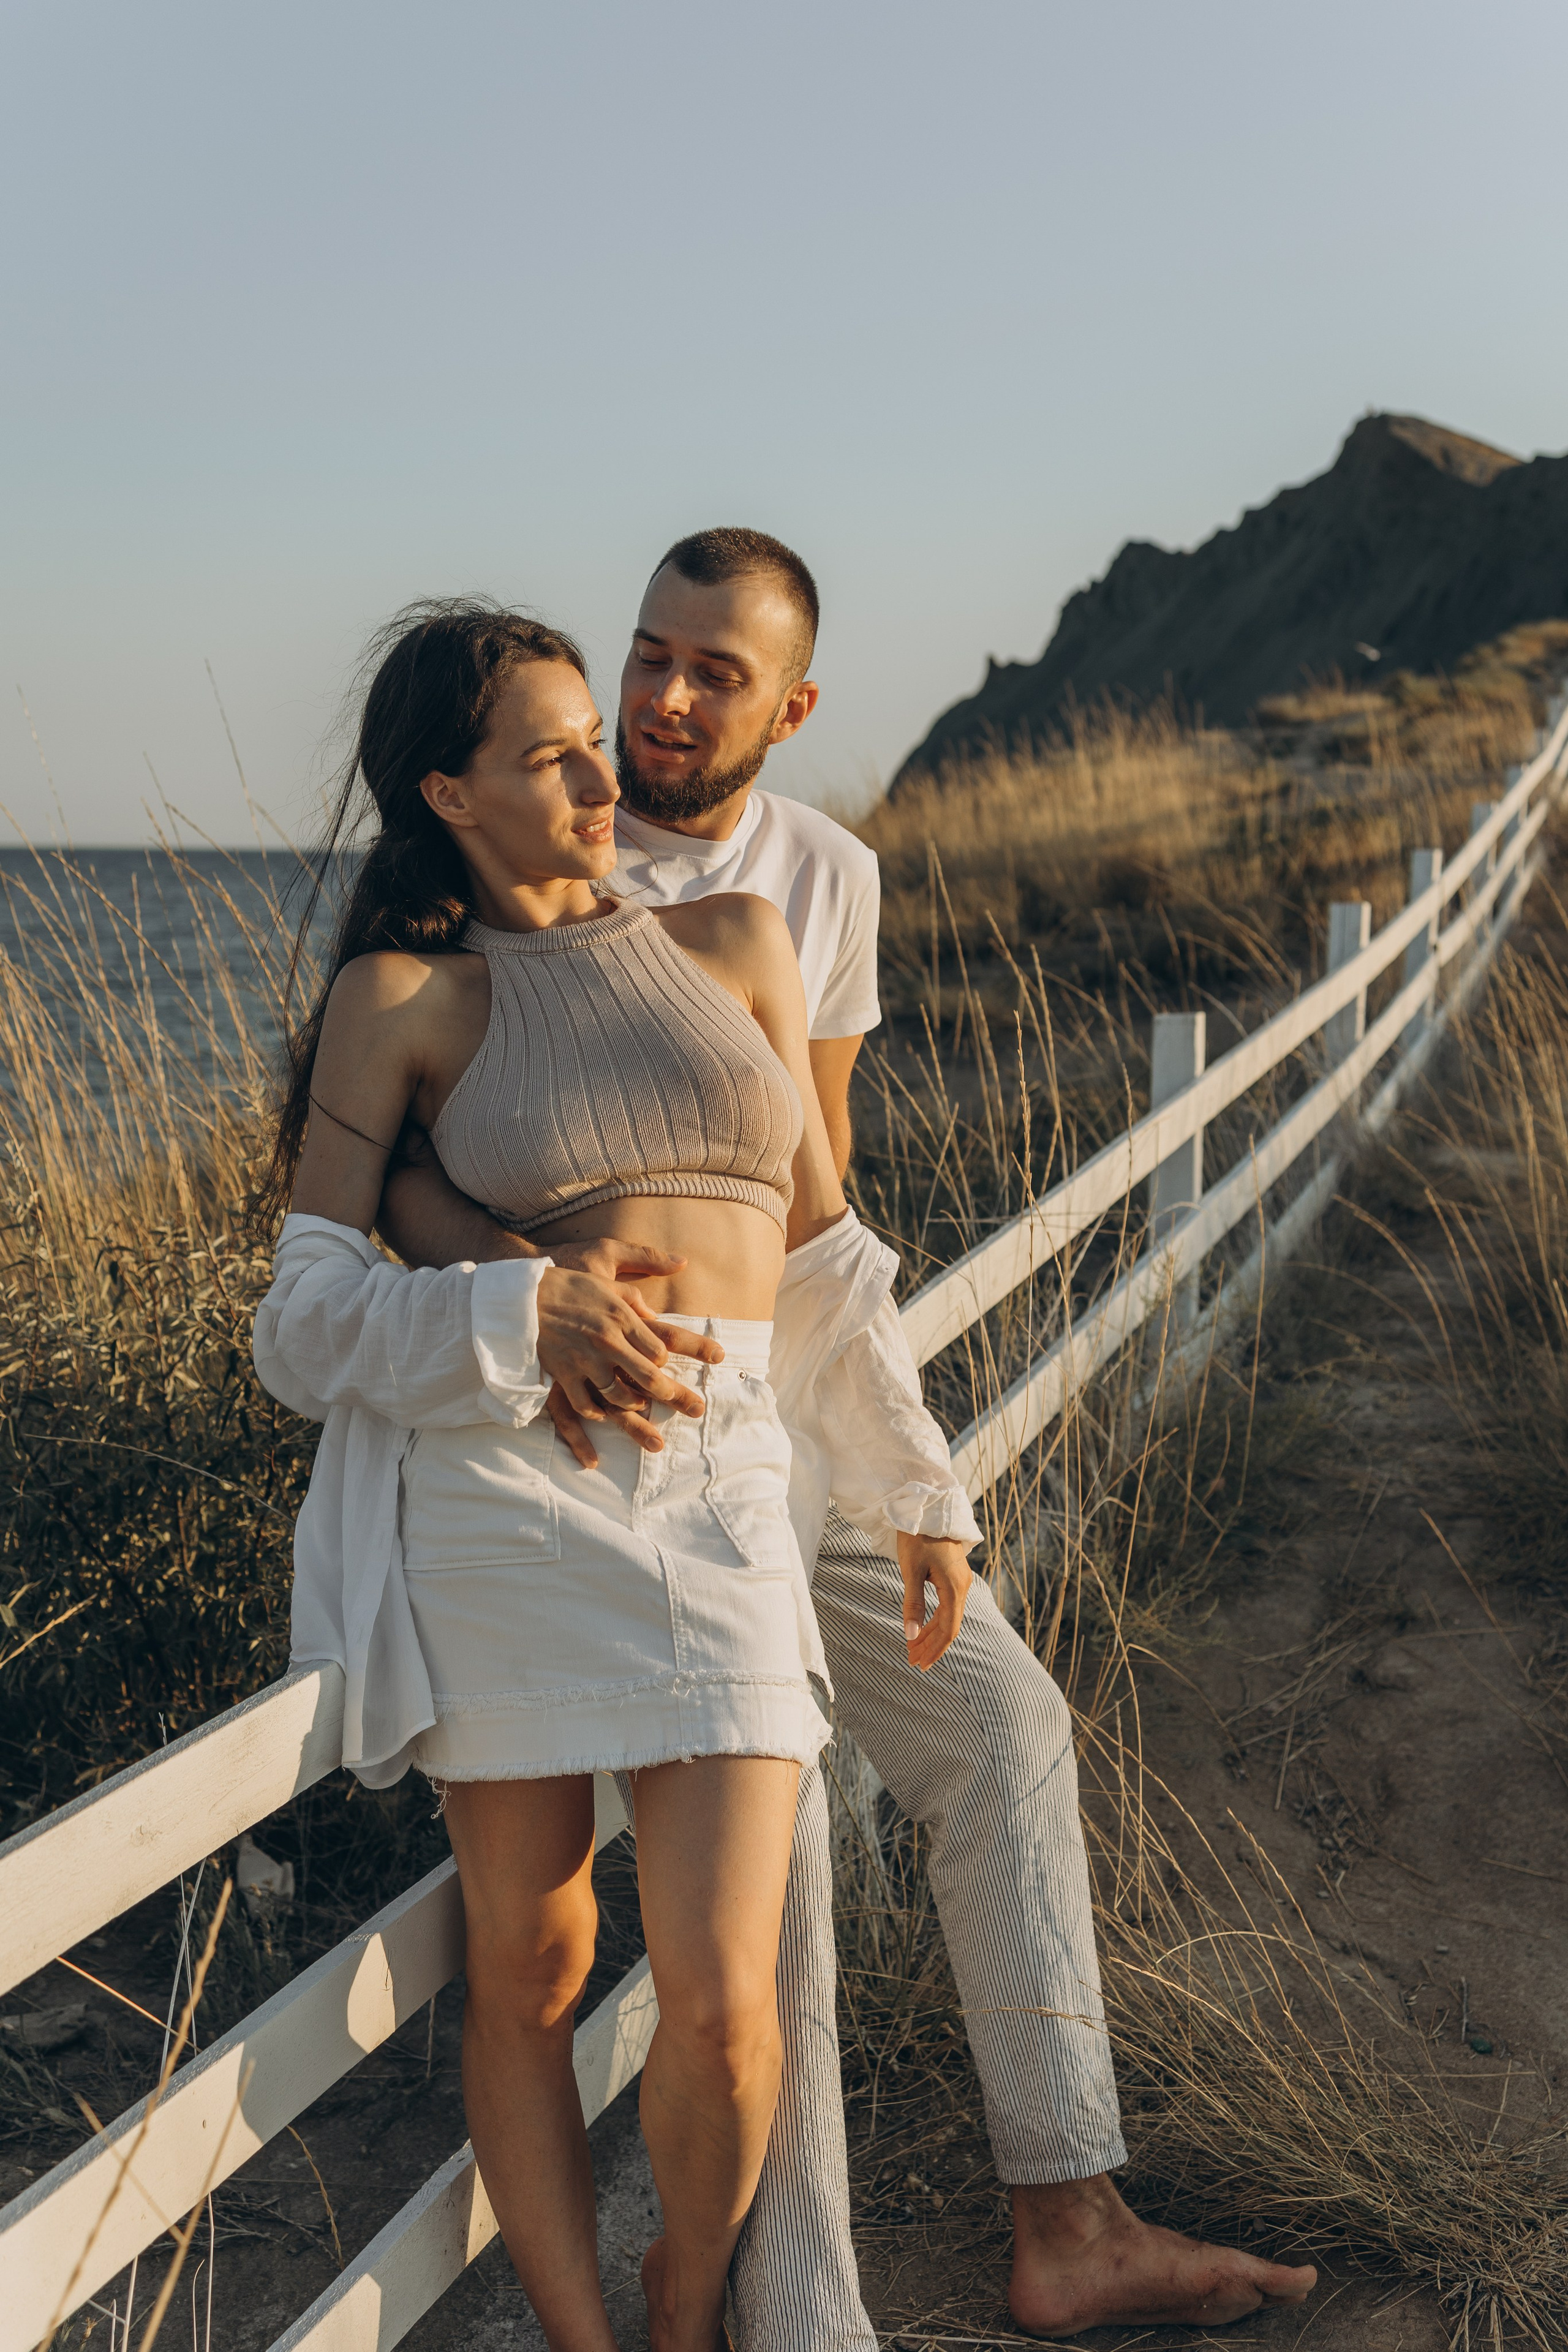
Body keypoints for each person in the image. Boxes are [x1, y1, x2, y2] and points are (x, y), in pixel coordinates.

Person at [377, 531, 1319, 2339]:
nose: (654, 701)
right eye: (646, 652)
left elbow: (811, 1199)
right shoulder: (524, 827)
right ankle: (797, 2307)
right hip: (614, 1444)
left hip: (786, 1419)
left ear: (791, 705)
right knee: (777, 1855)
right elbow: (384, 1153)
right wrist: (523, 1282)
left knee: (1006, 1726)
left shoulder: (820, 879)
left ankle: (1072, 2216)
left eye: (708, 672)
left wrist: (909, 1482)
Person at [250, 600, 982, 2352]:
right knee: (535, 1970)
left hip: (725, 1488)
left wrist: (916, 1480)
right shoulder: (404, 1000)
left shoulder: (735, 940)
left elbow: (816, 1257)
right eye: (553, 753)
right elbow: (301, 1316)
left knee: (731, 2008)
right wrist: (524, 1302)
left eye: (598, 735)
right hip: (509, 1503)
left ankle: (683, 2302)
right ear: (450, 789)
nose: (605, 771)